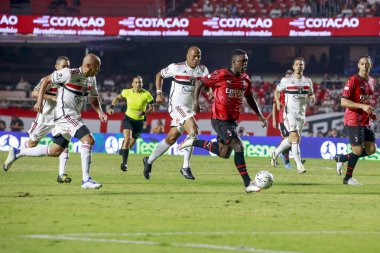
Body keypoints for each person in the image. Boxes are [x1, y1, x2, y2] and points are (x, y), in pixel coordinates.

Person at [3, 54, 107, 190]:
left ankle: (18, 152)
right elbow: (46, 80)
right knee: (88, 140)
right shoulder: (69, 74)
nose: (99, 70)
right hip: (64, 114)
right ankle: (86, 179)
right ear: (89, 66)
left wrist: (100, 112)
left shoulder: (91, 79)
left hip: (73, 115)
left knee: (55, 151)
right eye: (97, 67)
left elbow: (93, 98)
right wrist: (40, 101)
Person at [178, 49, 267, 193]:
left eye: (246, 61)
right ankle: (248, 184)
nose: (245, 64)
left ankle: (193, 142)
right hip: (219, 120)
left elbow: (249, 97)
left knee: (224, 153)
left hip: (232, 121)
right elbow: (200, 83)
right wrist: (195, 102)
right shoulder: (220, 74)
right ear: (233, 62)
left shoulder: (245, 79)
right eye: (242, 61)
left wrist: (259, 115)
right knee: (238, 146)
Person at [143, 46, 209, 180]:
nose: (196, 59)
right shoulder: (176, 67)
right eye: (193, 56)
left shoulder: (203, 70)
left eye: (199, 56)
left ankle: (148, 161)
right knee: (193, 130)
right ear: (187, 55)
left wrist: (210, 93)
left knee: (171, 138)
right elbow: (159, 75)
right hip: (177, 106)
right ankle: (185, 167)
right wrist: (159, 93)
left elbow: (205, 86)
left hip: (189, 108)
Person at [25, 56, 72, 183]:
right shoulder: (48, 80)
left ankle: (61, 174)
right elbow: (34, 93)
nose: (66, 69)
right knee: (31, 144)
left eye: (68, 66)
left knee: (64, 144)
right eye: (63, 66)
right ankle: (18, 152)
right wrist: (51, 98)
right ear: (56, 67)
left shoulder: (70, 80)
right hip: (45, 117)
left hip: (61, 117)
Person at [334, 56, 376, 185]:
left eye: (367, 64)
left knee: (371, 150)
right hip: (353, 120)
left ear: (371, 66)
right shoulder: (352, 80)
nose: (364, 66)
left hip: (365, 120)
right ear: (358, 65)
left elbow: (366, 101)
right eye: (362, 63)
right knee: (357, 150)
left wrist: (371, 113)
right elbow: (343, 101)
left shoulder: (372, 81)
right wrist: (362, 106)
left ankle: (342, 158)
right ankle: (347, 179)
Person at [270, 57, 315, 174]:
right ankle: (299, 166)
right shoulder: (286, 80)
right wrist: (279, 103)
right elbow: (276, 91)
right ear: (293, 67)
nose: (299, 66)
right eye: (297, 64)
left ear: (303, 66)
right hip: (289, 113)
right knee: (295, 137)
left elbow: (310, 93)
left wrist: (312, 96)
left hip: (301, 114)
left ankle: (275, 153)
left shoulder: (308, 81)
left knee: (292, 140)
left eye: (301, 64)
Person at [108, 75, 154, 172]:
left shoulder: (147, 94)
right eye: (136, 82)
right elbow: (117, 97)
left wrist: (143, 112)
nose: (138, 84)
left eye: (140, 82)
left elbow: (151, 108)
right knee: (127, 139)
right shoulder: (126, 92)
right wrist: (112, 107)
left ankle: (123, 146)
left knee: (130, 144)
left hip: (139, 121)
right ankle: (124, 164)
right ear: (132, 84)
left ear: (142, 84)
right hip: (128, 118)